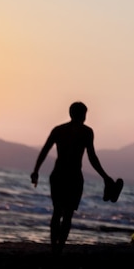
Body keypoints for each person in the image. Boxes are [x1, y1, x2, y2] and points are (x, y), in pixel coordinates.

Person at [31, 102, 122, 254]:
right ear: (82, 115)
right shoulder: (86, 132)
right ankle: (59, 249)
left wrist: (36, 171)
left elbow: (44, 151)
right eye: (84, 114)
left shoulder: (58, 130)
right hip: (73, 177)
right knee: (68, 215)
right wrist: (105, 176)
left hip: (58, 175)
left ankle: (55, 249)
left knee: (57, 212)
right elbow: (92, 157)